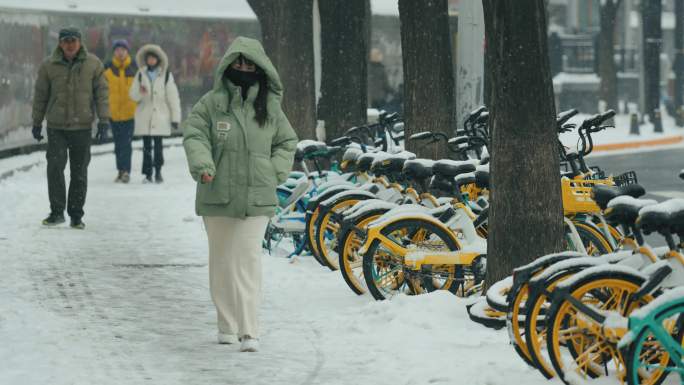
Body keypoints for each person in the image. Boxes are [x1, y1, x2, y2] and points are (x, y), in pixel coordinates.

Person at [182, 37, 298, 352]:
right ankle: (227, 325)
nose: (244, 69)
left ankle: (250, 329)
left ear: (260, 68)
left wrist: (273, 171)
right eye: (238, 63)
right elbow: (194, 134)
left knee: (247, 258)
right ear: (229, 66)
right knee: (221, 260)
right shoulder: (211, 103)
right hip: (217, 193)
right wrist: (203, 163)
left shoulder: (270, 108)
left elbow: (287, 142)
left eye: (249, 64)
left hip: (257, 197)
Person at [32, 27, 110, 229]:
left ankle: (76, 215)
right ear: (59, 43)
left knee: (79, 172)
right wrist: (36, 122)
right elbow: (40, 95)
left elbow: (102, 94)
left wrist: (104, 120)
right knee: (55, 169)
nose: (69, 44)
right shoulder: (49, 66)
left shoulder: (93, 64)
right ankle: (57, 212)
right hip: (56, 126)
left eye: (73, 40)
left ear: (80, 42)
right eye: (65, 40)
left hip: (82, 127)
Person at [129, 44, 181, 183]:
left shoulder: (166, 76)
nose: (151, 61)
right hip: (145, 116)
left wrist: (175, 118)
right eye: (149, 58)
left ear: (158, 59)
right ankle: (147, 174)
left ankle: (158, 171)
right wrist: (140, 92)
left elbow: (173, 97)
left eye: (153, 58)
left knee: (158, 147)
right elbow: (133, 95)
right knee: (146, 147)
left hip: (161, 116)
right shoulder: (140, 74)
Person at [104, 39, 137, 183]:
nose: (120, 52)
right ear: (114, 52)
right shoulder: (108, 69)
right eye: (117, 50)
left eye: (123, 49)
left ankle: (126, 171)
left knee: (126, 144)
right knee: (118, 144)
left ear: (127, 51)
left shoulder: (135, 68)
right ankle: (120, 170)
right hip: (114, 114)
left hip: (130, 114)